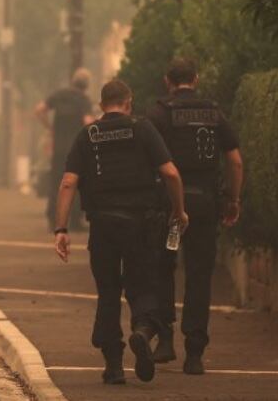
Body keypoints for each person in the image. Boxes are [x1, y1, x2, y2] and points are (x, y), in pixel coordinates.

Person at [53, 79, 188, 386]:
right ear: (129, 102)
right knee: (143, 284)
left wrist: (61, 229)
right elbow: (170, 173)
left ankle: (113, 365)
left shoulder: (87, 135)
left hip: (102, 225)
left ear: (101, 106)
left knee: (108, 291)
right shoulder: (142, 129)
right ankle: (142, 330)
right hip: (140, 224)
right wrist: (178, 211)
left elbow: (68, 183)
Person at [146, 57, 244, 375]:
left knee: (164, 267)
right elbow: (235, 160)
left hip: (170, 207)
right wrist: (232, 199)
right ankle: (195, 352)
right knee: (200, 275)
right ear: (196, 79)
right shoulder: (214, 113)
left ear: (167, 81)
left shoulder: (159, 114)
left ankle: (164, 339)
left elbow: (145, 160)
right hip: (204, 205)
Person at [35, 67, 95, 231]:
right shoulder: (84, 100)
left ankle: (53, 220)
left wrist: (49, 128)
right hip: (76, 150)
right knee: (76, 184)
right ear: (86, 85)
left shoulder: (59, 94)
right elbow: (88, 122)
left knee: (56, 183)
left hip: (59, 148)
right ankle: (74, 221)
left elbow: (39, 110)